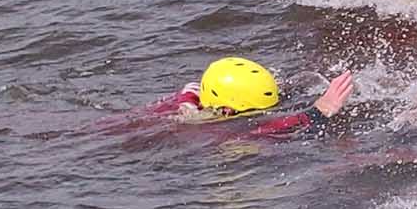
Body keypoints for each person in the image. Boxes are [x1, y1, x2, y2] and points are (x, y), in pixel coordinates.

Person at [147, 56, 358, 137]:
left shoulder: (197, 95)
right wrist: (320, 110)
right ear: (227, 111)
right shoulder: (211, 131)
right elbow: (260, 130)